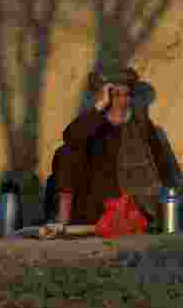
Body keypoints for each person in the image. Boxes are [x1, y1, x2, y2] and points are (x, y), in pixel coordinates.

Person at [47, 67, 172, 228]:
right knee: (66, 152)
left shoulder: (141, 127)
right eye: (115, 95)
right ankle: (62, 219)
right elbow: (71, 137)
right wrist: (99, 107)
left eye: (126, 95)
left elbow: (161, 167)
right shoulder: (95, 123)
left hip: (130, 199)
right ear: (105, 97)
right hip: (93, 201)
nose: (122, 100)